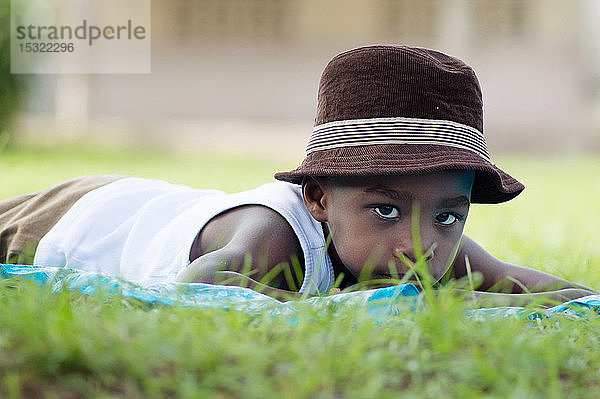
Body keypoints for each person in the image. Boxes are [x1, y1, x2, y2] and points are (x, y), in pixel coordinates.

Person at [0, 45, 595, 304]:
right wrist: (342, 309)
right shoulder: (273, 240)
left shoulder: (431, 244)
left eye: (447, 215)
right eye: (384, 209)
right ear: (316, 198)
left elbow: (536, 288)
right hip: (78, 217)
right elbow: (194, 290)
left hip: (159, 200)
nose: (419, 243)